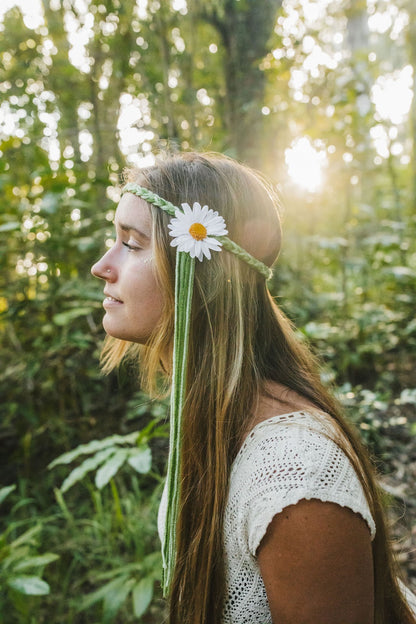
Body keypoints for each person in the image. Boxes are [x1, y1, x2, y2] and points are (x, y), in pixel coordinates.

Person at [91, 151, 416, 624]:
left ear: (202, 273)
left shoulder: (294, 475)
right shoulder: (211, 411)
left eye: (134, 244)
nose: (103, 266)